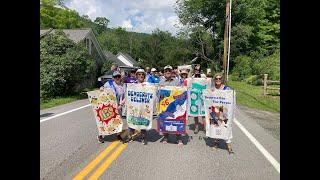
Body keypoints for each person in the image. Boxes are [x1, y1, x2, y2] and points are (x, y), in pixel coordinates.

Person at [159, 65, 184, 147]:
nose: (167, 72)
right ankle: (166, 137)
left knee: (177, 119)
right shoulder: (161, 81)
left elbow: (181, 91)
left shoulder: (176, 81)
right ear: (164, 72)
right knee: (165, 119)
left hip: (174, 103)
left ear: (171, 72)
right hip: (164, 104)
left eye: (169, 70)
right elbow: (157, 93)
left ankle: (178, 138)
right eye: (166, 71)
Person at [97, 71, 126, 143]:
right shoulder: (108, 84)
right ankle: (100, 135)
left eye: (118, 76)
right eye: (115, 77)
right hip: (108, 107)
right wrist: (101, 88)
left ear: (120, 77)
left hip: (118, 106)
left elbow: (125, 96)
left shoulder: (123, 85)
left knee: (118, 121)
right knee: (105, 121)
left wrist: (121, 105)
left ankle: (118, 135)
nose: (117, 78)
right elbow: (102, 90)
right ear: (113, 78)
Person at [211, 73, 234, 154]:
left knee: (225, 126)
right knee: (216, 126)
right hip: (216, 111)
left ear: (222, 79)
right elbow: (208, 98)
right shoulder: (212, 89)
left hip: (224, 111)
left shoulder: (227, 89)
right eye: (216, 79)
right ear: (214, 80)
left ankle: (229, 146)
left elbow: (231, 98)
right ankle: (216, 142)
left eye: (219, 78)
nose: (218, 80)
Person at [128, 69, 150, 145]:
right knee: (132, 120)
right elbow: (128, 94)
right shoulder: (132, 84)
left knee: (143, 122)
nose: (141, 76)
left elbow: (153, 93)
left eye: (142, 74)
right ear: (136, 75)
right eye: (139, 74)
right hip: (135, 106)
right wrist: (122, 103)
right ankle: (131, 136)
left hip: (144, 106)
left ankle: (143, 138)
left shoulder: (148, 84)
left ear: (144, 76)